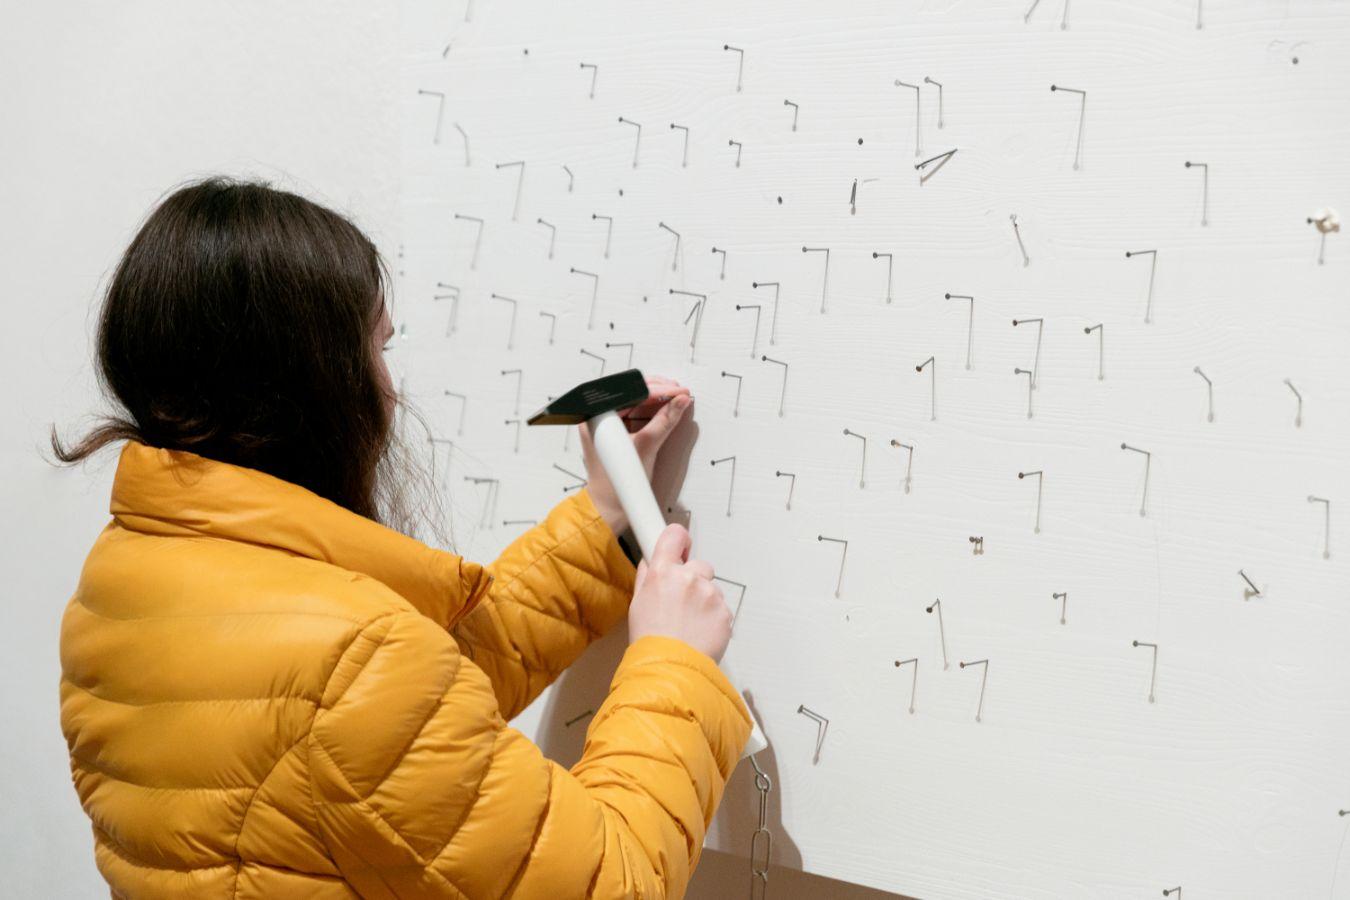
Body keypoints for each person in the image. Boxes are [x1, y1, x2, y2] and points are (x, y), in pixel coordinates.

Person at [54, 178, 751, 898]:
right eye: (378, 348)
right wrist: (673, 664)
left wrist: (604, 517)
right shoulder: (346, 664)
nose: (389, 388)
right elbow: (611, 885)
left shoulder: (120, 587)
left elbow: (416, 719)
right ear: (317, 383)